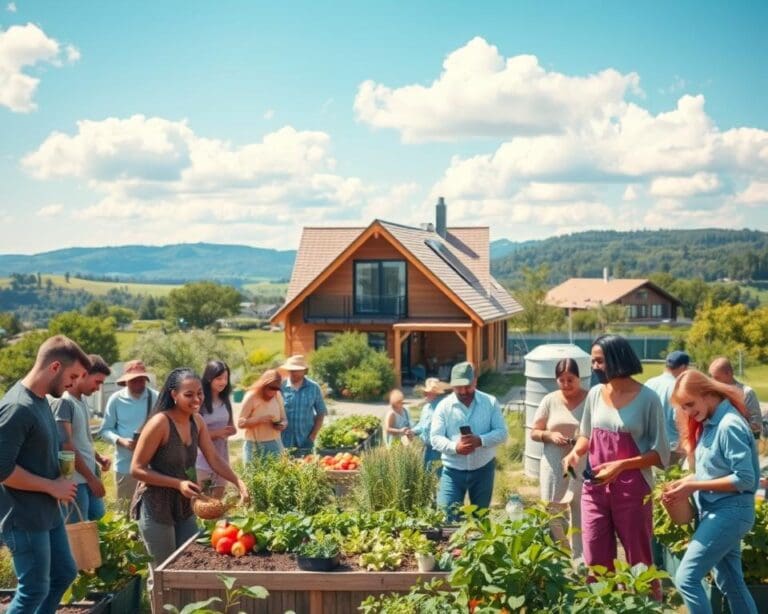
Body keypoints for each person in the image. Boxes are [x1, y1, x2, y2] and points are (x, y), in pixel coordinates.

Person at [563, 334, 668, 600]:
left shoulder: (648, 399)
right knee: (595, 555)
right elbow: (586, 434)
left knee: (639, 557)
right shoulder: (596, 394)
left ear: (617, 360)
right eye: (593, 361)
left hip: (632, 491)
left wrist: (620, 466)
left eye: (599, 361)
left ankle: (647, 605)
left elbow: (659, 453)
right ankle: (604, 604)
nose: (594, 367)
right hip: (595, 487)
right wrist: (575, 453)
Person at [0, 335, 86, 614]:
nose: (73, 384)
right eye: (72, 376)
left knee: (64, 573)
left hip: (47, 514)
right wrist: (52, 486)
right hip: (23, 518)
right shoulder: (17, 407)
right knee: (34, 589)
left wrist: (60, 475)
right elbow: (2, 470)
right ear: (54, 367)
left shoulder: (40, 401)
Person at [130, 367, 249, 566]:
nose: (197, 399)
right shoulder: (160, 423)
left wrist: (238, 481)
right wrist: (177, 483)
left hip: (184, 504)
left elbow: (213, 457)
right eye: (189, 395)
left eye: (199, 393)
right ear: (174, 394)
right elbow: (137, 469)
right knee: (163, 568)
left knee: (191, 560)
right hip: (156, 504)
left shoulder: (197, 421)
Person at [664, 370, 759, 614]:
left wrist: (692, 486)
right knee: (731, 584)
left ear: (707, 394)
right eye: (683, 407)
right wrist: (685, 482)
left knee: (686, 578)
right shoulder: (711, 423)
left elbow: (746, 479)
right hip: (718, 513)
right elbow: (713, 473)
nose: (687, 412)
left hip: (730, 513)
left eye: (689, 404)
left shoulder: (728, 425)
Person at [430, 362, 508, 519]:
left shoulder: (490, 402)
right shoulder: (444, 406)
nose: (464, 391)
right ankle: (453, 544)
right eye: (458, 387)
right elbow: (435, 438)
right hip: (452, 471)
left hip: (483, 470)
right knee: (447, 516)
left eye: (467, 386)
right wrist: (455, 447)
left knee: (480, 518)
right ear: (452, 385)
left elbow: (502, 433)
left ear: (475, 381)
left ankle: (477, 543)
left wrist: (480, 440)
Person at [530, 358, 587, 559]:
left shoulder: (590, 399)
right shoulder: (550, 400)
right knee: (551, 508)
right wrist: (549, 435)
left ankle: (579, 556)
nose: (566, 384)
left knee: (578, 508)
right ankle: (561, 551)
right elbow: (534, 432)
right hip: (553, 463)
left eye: (570, 379)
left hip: (579, 462)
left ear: (579, 378)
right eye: (561, 380)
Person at [51, 354, 112, 523]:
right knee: (78, 530)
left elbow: (82, 439)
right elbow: (66, 446)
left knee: (95, 518)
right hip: (75, 481)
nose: (98, 388)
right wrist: (92, 480)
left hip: (87, 476)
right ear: (83, 374)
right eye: (97, 382)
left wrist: (98, 458)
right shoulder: (64, 402)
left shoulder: (81, 400)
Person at [99, 359, 158, 503]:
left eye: (141, 379)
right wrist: (120, 441)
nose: (138, 383)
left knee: (151, 511)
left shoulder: (156, 397)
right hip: (125, 465)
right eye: (134, 380)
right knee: (124, 512)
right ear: (126, 381)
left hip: (152, 466)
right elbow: (105, 430)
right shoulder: (116, 400)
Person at [195, 360, 237, 499]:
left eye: (225, 378)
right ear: (209, 378)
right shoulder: (199, 402)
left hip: (222, 457)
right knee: (200, 502)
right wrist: (217, 433)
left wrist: (230, 431)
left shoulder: (225, 401)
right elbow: (193, 434)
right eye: (219, 378)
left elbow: (232, 427)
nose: (223, 382)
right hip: (201, 459)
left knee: (216, 503)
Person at [644, 350, 690, 463]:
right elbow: (680, 420)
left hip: (648, 447)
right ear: (683, 367)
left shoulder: (649, 383)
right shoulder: (679, 387)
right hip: (672, 448)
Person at [279, 355, 327, 456]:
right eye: (290, 370)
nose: (292, 373)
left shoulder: (313, 388)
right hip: (283, 440)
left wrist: (313, 436)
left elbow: (321, 412)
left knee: (305, 469)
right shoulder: (281, 387)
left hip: (306, 440)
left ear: (305, 371)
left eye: (296, 370)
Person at [238, 369, 287, 462]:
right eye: (271, 388)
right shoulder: (251, 396)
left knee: (278, 474)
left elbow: (284, 419)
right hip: (254, 445)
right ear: (263, 385)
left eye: (277, 388)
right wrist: (258, 420)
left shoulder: (278, 395)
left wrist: (282, 425)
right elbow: (240, 423)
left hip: (275, 443)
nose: (274, 391)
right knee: (253, 475)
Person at [708, 356, 762, 439]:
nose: (712, 381)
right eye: (711, 377)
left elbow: (756, 426)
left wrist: (733, 433)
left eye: (716, 378)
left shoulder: (747, 393)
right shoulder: (714, 394)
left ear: (729, 373)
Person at [411, 378, 449, 472]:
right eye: (425, 392)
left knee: (436, 475)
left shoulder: (442, 407)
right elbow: (422, 425)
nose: (425, 394)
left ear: (436, 393)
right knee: (427, 474)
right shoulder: (426, 407)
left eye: (427, 392)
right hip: (426, 447)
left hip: (438, 449)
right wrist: (412, 431)